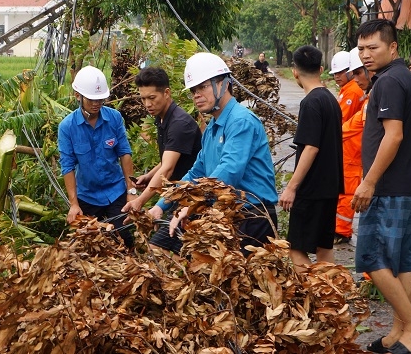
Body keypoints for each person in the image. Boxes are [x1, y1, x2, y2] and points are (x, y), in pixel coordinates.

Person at [351, 19, 411, 354]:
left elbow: (394, 135)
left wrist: (369, 182)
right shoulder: (404, 78)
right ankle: (399, 333)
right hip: (408, 185)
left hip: (389, 188)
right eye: (361, 49)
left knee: (371, 257)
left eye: (373, 48)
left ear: (393, 47)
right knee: (402, 263)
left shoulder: (388, 82)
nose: (366, 55)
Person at [149, 52, 279, 255]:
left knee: (234, 283)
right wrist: (161, 205)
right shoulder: (212, 127)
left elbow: (229, 171)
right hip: (221, 211)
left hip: (252, 216)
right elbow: (196, 172)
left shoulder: (240, 121)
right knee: (160, 247)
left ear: (225, 84)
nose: (197, 95)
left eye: (203, 87)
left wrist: (191, 205)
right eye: (193, 90)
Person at [278, 45, 343, 271]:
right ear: (321, 69)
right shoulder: (331, 100)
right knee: (324, 249)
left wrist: (292, 188)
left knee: (296, 250)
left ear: (294, 71)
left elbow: (311, 148)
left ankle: (316, 296)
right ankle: (333, 301)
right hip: (330, 187)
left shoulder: (310, 103)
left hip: (312, 189)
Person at [58, 65, 136, 247]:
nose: (97, 104)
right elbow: (67, 166)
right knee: (88, 244)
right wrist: (74, 204)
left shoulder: (114, 118)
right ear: (78, 96)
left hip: (115, 191)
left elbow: (124, 153)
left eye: (101, 99)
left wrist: (131, 192)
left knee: (124, 239)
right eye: (92, 99)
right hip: (87, 195)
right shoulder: (67, 127)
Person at [122, 67, 202, 212]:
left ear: (166, 93)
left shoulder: (179, 123)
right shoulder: (163, 117)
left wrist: (140, 201)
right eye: (143, 99)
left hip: (193, 198)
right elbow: (167, 159)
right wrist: (149, 176)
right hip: (177, 194)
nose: (147, 104)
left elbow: (168, 168)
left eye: (152, 98)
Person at [335, 47, 372, 244]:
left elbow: (345, 123)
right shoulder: (361, 94)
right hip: (349, 150)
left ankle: (342, 230)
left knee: (347, 193)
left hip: (353, 152)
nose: (355, 78)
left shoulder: (355, 94)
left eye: (357, 73)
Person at [331, 50, 365, 124]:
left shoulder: (352, 91)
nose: (337, 76)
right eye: (335, 73)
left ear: (350, 71)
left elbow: (341, 120)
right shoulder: (347, 88)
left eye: (340, 72)